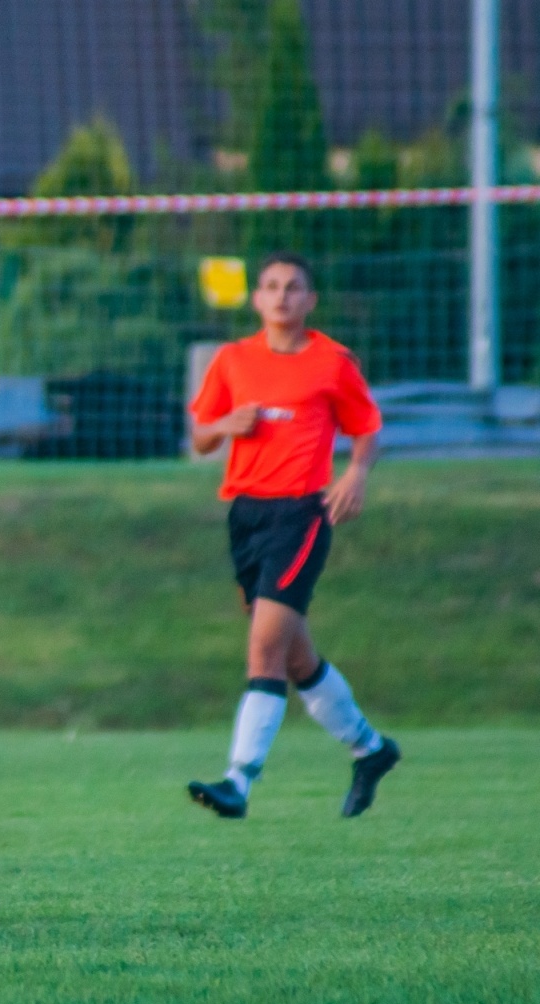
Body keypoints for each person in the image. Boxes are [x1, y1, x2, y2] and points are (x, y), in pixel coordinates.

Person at [185, 252, 400, 820]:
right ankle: (370, 749)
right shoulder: (233, 360)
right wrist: (224, 427)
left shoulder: (332, 362)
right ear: (257, 298)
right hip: (246, 517)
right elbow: (201, 436)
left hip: (301, 515)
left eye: (294, 287)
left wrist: (356, 473)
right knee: (297, 656)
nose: (282, 296)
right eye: (272, 286)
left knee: (264, 648)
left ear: (311, 301)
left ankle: (239, 780)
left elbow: (368, 427)